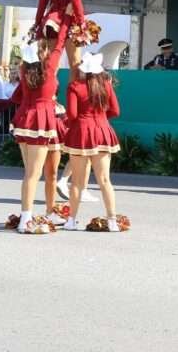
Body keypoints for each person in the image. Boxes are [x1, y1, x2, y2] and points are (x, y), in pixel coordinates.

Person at [10, 30, 67, 233]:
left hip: (26, 117)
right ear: (43, 54)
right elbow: (59, 46)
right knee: (34, 174)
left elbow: (16, 97)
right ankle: (26, 218)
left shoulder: (25, 70)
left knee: (31, 173)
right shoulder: (49, 69)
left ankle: (29, 214)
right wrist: (67, 21)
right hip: (41, 119)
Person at [62, 52, 122, 231]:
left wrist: (71, 123)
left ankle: (71, 221)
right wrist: (102, 118)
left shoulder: (74, 86)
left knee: (77, 182)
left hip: (81, 133)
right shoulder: (106, 85)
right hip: (103, 130)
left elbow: (72, 114)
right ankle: (112, 221)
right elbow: (116, 111)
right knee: (105, 180)